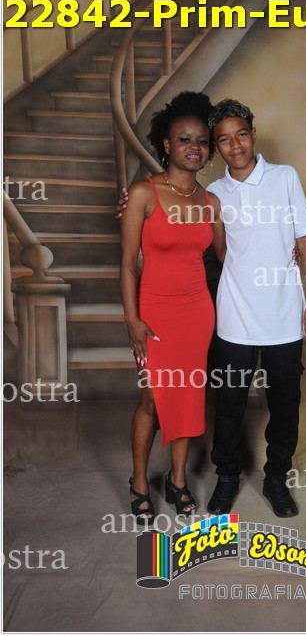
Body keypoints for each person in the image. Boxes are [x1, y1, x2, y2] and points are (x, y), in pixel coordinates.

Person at [118, 98, 306, 519]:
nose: (232, 145)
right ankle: (199, 478)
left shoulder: (250, 187)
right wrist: (132, 318)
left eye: (239, 135)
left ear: (251, 135)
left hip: (245, 313)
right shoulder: (189, 194)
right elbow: (139, 261)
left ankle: (253, 479)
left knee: (258, 402)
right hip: (199, 315)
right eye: (221, 139)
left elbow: (275, 245)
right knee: (196, 403)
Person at [119, 92, 224, 524]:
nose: (194, 147)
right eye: (184, 139)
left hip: (197, 313)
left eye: (201, 141)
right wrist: (132, 319)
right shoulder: (142, 193)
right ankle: (139, 482)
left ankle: (177, 480)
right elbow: (128, 264)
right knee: (152, 400)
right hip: (153, 314)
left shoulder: (210, 201)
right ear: (167, 144)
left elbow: (228, 256)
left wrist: (285, 253)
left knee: (187, 398)